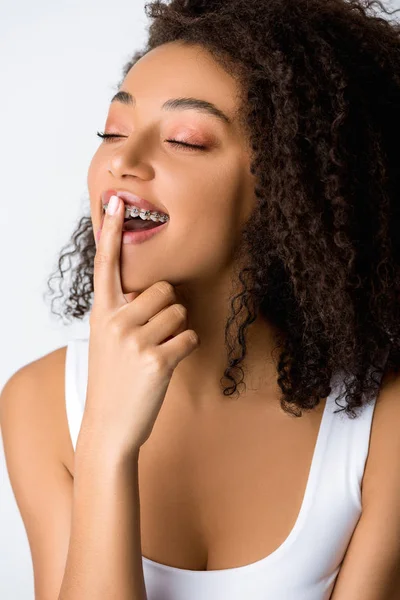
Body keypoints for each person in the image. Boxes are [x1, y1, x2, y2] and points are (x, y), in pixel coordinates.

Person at [2, 0, 400, 598]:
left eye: (185, 141)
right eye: (113, 131)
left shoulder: (383, 423)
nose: (123, 162)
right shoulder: (37, 403)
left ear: (291, 186)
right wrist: (106, 445)